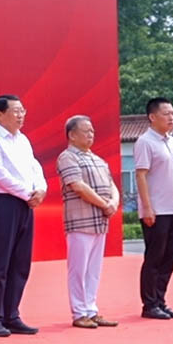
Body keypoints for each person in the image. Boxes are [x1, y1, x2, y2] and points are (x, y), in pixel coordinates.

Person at [0, 94, 46, 337]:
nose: (21, 115)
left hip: (24, 204)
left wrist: (40, 189)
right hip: (0, 203)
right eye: (16, 111)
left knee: (20, 262)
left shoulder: (22, 139)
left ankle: (11, 315)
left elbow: (34, 167)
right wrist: (28, 193)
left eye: (22, 110)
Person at [57, 116, 121, 328]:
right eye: (86, 131)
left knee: (94, 270)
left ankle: (91, 310)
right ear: (72, 135)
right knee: (78, 269)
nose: (91, 134)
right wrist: (104, 204)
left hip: (99, 222)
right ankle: (79, 312)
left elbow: (112, 185)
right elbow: (77, 186)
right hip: (80, 221)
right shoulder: (67, 157)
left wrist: (113, 202)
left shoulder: (98, 159)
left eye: (92, 131)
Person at [132, 97, 173, 320]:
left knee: (170, 258)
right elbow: (141, 175)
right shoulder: (145, 142)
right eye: (166, 114)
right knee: (155, 258)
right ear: (152, 117)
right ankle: (149, 304)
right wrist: (147, 207)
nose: (171, 117)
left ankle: (161, 300)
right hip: (157, 210)